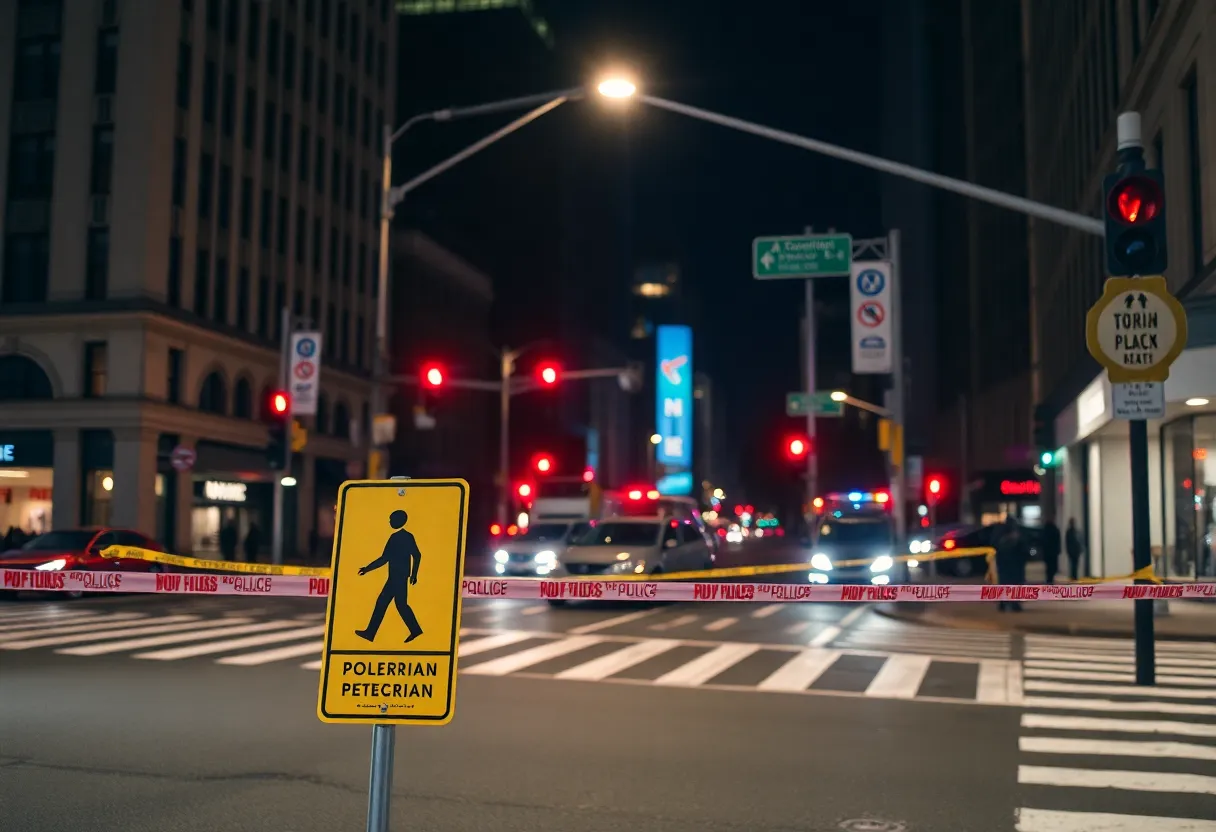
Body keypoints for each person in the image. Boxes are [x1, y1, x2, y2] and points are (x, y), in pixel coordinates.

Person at [355, 509, 423, 643]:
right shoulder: (407, 536)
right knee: (396, 604)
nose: (390, 522)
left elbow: (384, 558)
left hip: (396, 578)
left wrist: (367, 569)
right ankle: (414, 630)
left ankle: (371, 633)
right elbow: (416, 555)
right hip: (399, 577)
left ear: (399, 520)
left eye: (392, 519)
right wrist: (413, 574)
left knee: (391, 604)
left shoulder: (396, 537)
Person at [993, 516, 1030, 611]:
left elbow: (996, 547)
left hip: (1005, 564)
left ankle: (1004, 603)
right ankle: (1013, 604)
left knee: (1005, 583)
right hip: (1014, 565)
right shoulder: (1016, 536)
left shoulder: (1000, 534)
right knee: (1014, 583)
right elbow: (1023, 550)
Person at [1041, 518, 1061, 584]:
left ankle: (1049, 579)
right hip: (1053, 553)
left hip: (1048, 553)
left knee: (1049, 568)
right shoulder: (1055, 529)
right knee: (1052, 567)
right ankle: (1050, 579)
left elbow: (1043, 542)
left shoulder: (1045, 530)